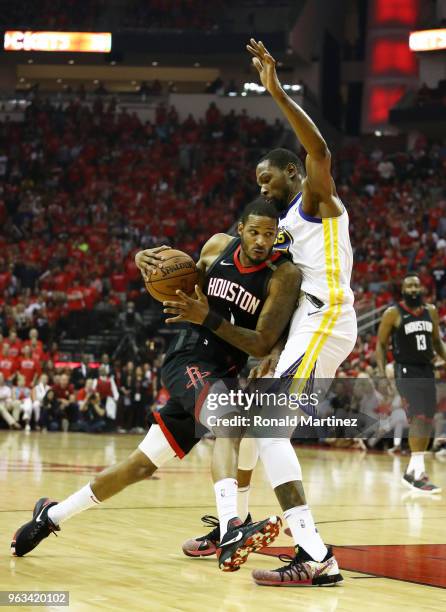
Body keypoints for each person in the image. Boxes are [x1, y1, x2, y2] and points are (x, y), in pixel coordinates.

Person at [11, 199, 300, 572]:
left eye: (269, 234)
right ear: (240, 229)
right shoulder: (217, 247)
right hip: (190, 360)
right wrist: (144, 261)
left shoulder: (279, 275)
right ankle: (232, 529)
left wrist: (211, 318)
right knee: (231, 423)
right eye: (255, 232)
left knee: (140, 467)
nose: (262, 240)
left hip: (222, 374)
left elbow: (261, 343)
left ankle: (50, 516)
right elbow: (174, 278)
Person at [178, 39, 357, 586]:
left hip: (326, 317)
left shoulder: (316, 203)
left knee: (267, 428)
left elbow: (320, 151)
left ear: (292, 175)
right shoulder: (280, 230)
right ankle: (238, 523)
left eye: (267, 179)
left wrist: (277, 91)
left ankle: (315, 554)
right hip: (306, 326)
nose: (262, 188)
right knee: (254, 429)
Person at [376, 273, 444, 493]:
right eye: (409, 286)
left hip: (427, 369)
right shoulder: (393, 313)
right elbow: (380, 344)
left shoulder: (431, 311)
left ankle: (413, 472)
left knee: (427, 420)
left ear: (421, 289)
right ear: (403, 290)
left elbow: (436, 342)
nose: (414, 289)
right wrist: (381, 372)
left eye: (417, 285)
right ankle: (417, 473)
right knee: (417, 418)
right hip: (405, 370)